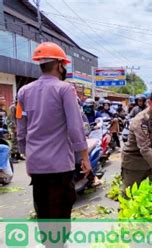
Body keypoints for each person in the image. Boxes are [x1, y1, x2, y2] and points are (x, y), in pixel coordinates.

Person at [16, 42, 91, 221]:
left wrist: (27, 156)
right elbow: (75, 126)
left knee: (43, 210)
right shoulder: (65, 89)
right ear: (59, 65)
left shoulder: (23, 91)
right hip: (60, 165)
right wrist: (85, 157)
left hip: (36, 164)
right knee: (61, 209)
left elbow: (21, 129)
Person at [7, 98, 24, 163]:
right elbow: (11, 119)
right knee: (14, 140)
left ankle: (18, 155)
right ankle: (12, 156)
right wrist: (14, 127)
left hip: (18, 125)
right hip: (13, 126)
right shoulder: (13, 107)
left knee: (19, 140)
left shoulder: (20, 106)